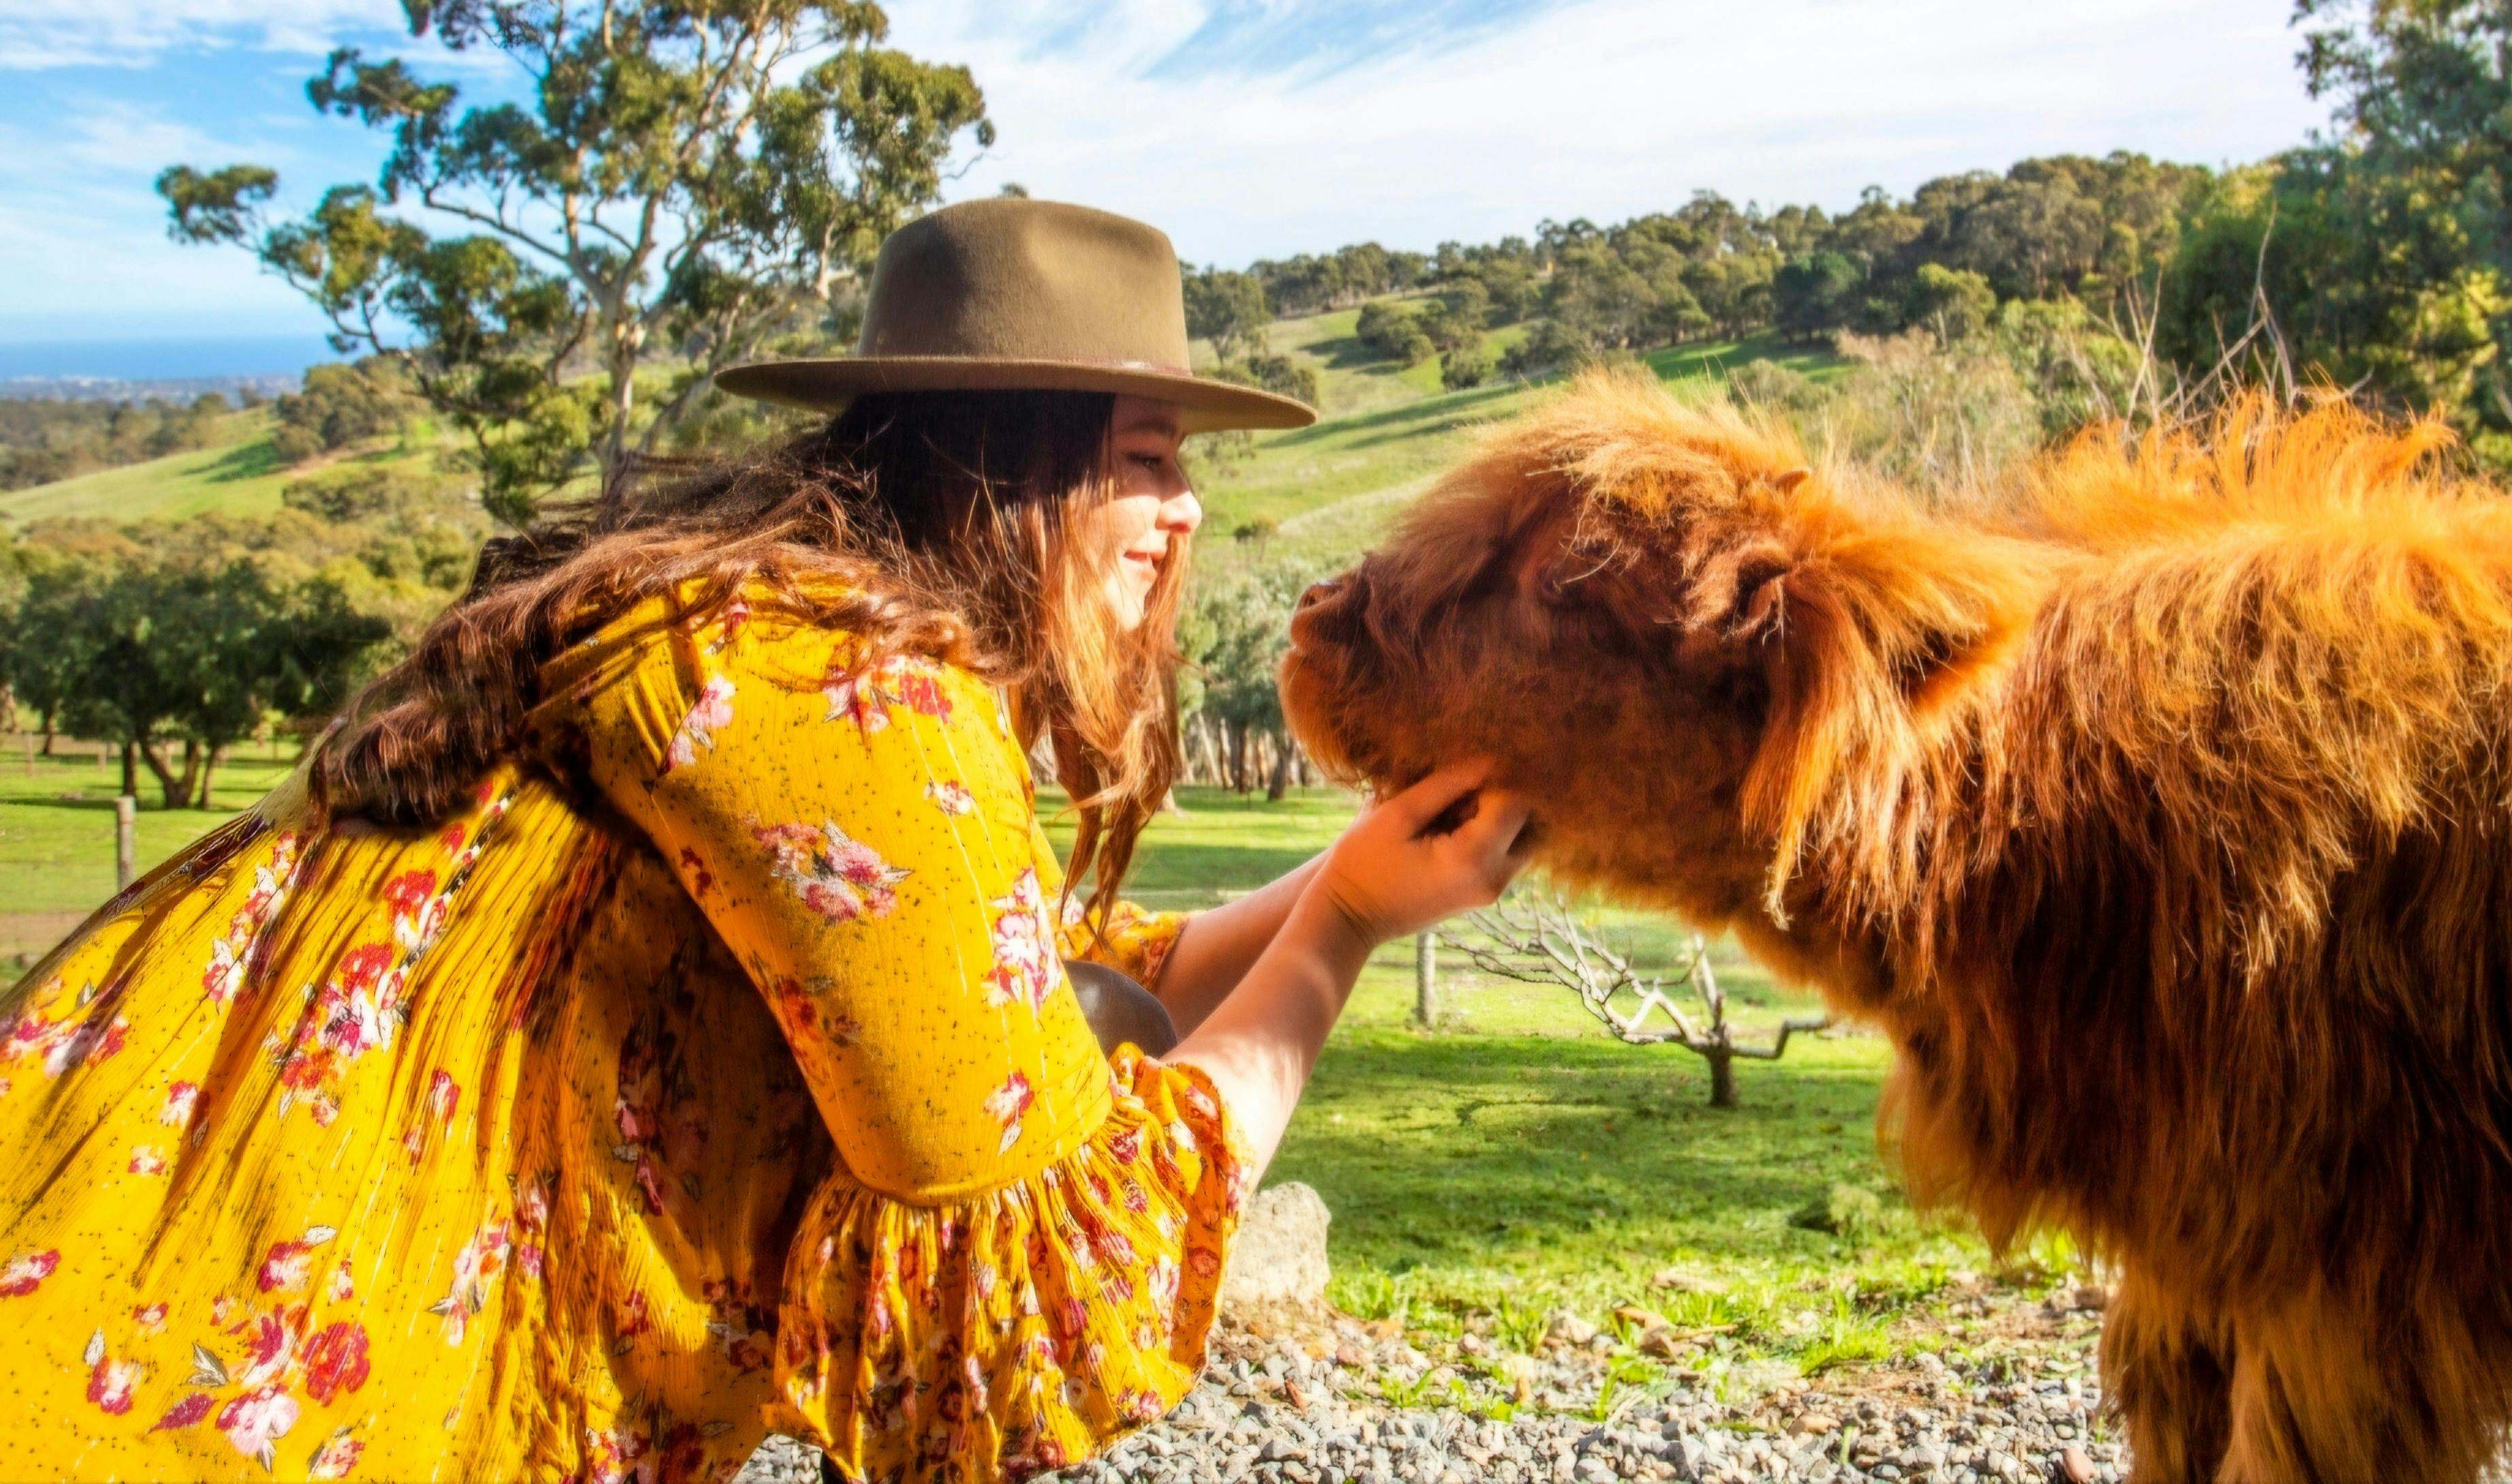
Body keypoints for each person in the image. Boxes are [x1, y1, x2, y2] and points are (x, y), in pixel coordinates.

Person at [0, 199, 1529, 1483]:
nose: (1184, 509)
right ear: (1006, 462)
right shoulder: (849, 693)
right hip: (240, 1395)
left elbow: (1005, 1006)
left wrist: (1351, 875)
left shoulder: (787, 631)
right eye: (1142, 455)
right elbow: (1050, 1290)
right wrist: (1338, 939)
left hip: (142, 1313)